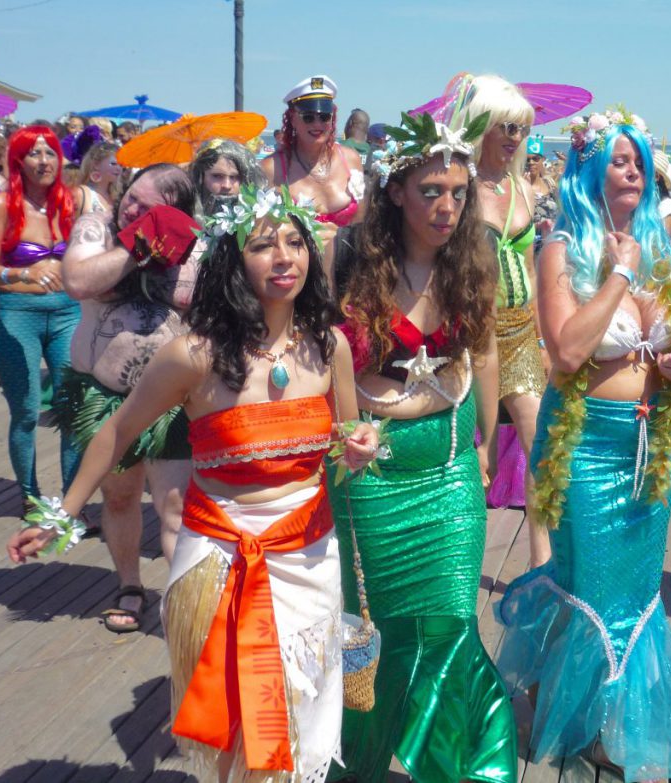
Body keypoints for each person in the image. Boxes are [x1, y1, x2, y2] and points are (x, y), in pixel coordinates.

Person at [8, 184, 378, 782]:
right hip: (219, 553)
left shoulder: (328, 345)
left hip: (309, 552)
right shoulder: (192, 355)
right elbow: (116, 433)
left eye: (294, 242)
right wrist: (61, 515)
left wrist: (360, 445)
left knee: (301, 706)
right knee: (238, 717)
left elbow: (347, 430)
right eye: (263, 245)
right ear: (233, 262)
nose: (283, 256)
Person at [496, 108, 671, 783]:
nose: (635, 169)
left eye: (641, 159)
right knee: (594, 585)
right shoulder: (561, 248)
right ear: (589, 168)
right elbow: (566, 351)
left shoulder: (669, 252)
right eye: (620, 158)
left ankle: (589, 707)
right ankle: (593, 725)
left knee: (635, 587)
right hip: (583, 444)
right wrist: (619, 274)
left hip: (653, 442)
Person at [329, 111, 518, 782]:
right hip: (372, 479)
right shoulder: (349, 261)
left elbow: (488, 351)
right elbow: (323, 355)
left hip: (448, 471)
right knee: (376, 633)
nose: (447, 206)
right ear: (397, 191)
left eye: (458, 192)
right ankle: (367, 759)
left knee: (451, 625)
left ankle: (452, 766)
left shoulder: (475, 258)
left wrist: (490, 438)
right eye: (432, 190)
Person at [58, 164, 200, 633]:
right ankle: (130, 586)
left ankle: (185, 605)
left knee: (175, 505)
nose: (132, 208)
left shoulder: (195, 242)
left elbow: (193, 292)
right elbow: (79, 281)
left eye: (149, 207)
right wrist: (142, 239)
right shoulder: (97, 227)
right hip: (104, 395)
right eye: (131, 198)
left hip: (171, 401)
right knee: (118, 499)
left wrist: (174, 242)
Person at [450, 74, 550, 561]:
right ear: (482, 127)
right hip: (470, 335)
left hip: (519, 333)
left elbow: (530, 266)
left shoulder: (524, 190)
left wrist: (542, 338)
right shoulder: (459, 187)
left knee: (542, 445)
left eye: (520, 127)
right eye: (505, 126)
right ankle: (455, 556)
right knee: (469, 451)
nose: (514, 136)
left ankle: (541, 559)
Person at [0, 126, 81, 515]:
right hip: (16, 313)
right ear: (18, 161)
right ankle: (29, 496)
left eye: (50, 153)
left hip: (66, 312)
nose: (44, 162)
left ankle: (74, 504)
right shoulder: (0, 205)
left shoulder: (69, 203)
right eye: (34, 154)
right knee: (26, 410)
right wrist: (19, 274)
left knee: (72, 408)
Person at [261, 74, 365, 268]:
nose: (317, 125)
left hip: (347, 267)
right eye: (308, 117)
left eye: (324, 117)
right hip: (297, 271)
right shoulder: (271, 168)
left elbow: (362, 221)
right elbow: (261, 232)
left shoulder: (351, 159)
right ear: (292, 118)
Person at [188, 138, 265, 218]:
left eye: (234, 177)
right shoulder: (186, 216)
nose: (227, 185)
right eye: (217, 176)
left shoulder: (260, 220)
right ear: (201, 177)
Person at [72, 140, 122, 217]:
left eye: (121, 164)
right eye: (113, 164)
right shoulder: (82, 193)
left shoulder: (116, 198)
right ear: (96, 164)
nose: (118, 168)